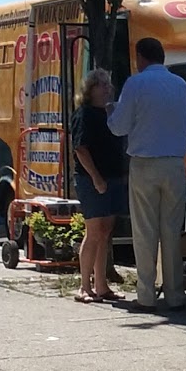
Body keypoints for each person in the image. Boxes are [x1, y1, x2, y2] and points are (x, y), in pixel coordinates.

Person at [106, 37, 186, 313]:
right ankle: (175, 294)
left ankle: (146, 295)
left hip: (144, 161)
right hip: (175, 162)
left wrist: (111, 112)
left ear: (140, 57)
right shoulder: (180, 84)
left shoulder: (135, 83)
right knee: (171, 231)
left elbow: (119, 127)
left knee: (145, 231)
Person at [70, 69, 128, 304]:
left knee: (105, 232)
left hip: (113, 177)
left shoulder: (111, 114)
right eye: (101, 84)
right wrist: (96, 177)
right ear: (90, 89)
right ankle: (84, 286)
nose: (107, 88)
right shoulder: (84, 114)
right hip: (91, 179)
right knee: (93, 232)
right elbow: (80, 149)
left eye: (108, 84)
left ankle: (101, 285)